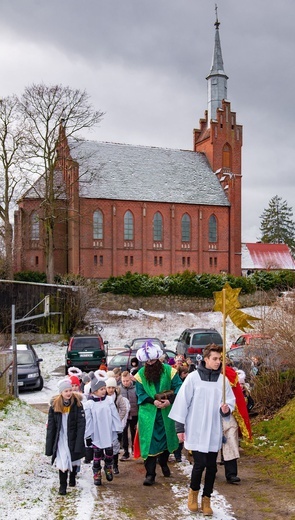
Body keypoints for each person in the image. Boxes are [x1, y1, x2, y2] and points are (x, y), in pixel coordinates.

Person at [169, 344, 236, 515]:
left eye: (219, 359)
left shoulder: (222, 381)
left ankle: (207, 499)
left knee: (212, 466)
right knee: (200, 464)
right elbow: (182, 403)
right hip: (196, 428)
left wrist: (226, 408)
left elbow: (229, 401)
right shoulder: (193, 378)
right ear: (205, 359)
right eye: (214, 358)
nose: (217, 361)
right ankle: (193, 495)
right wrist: (180, 428)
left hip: (213, 428)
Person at [134, 341, 182, 486]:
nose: (150, 363)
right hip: (148, 415)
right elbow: (140, 393)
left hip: (166, 413)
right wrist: (151, 401)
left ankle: (164, 463)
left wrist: (170, 400)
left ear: (158, 359)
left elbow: (179, 387)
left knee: (167, 441)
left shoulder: (169, 371)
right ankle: (150, 474)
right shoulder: (140, 375)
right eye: (147, 361)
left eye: (153, 360)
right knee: (149, 444)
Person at [45, 379, 86, 495]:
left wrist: (79, 439)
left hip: (73, 436)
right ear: (61, 393)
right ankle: (62, 486)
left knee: (73, 459)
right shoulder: (55, 405)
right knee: (62, 460)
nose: (68, 393)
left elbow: (81, 423)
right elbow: (51, 425)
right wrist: (50, 442)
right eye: (66, 391)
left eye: (70, 390)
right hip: (61, 437)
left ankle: (72, 477)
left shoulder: (77, 404)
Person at [83, 372, 123, 486]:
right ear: (94, 391)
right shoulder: (89, 404)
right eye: (101, 389)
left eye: (104, 388)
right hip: (96, 433)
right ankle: (97, 473)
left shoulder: (109, 401)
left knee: (110, 452)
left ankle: (108, 467)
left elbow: (114, 415)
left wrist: (118, 429)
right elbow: (88, 420)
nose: (104, 391)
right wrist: (88, 435)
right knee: (97, 454)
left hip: (108, 431)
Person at [221, 364, 253, 484]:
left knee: (230, 441)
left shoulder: (230, 375)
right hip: (212, 414)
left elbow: (236, 397)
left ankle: (231, 473)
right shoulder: (204, 376)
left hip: (229, 414)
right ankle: (211, 470)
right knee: (213, 444)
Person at [106, 375, 130, 474]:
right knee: (107, 446)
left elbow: (123, 409)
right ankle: (108, 464)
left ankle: (115, 464)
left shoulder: (118, 397)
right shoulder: (103, 397)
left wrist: (118, 419)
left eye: (113, 387)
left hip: (115, 426)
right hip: (105, 425)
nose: (111, 390)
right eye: (109, 387)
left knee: (115, 446)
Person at [120, 370, 138, 461]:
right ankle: (126, 451)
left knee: (134, 432)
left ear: (130, 379)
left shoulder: (135, 388)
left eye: (127, 380)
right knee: (124, 434)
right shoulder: (119, 389)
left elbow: (139, 401)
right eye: (123, 381)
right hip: (124, 415)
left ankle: (135, 450)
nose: (125, 383)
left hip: (134, 413)